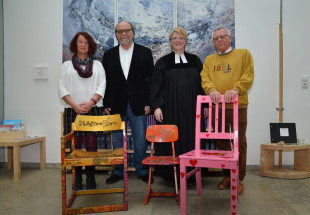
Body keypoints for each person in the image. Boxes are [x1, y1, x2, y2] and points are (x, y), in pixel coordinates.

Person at [201, 27, 254, 194]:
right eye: (216, 38)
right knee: (221, 141)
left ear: (230, 38)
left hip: (238, 106)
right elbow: (205, 77)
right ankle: (226, 175)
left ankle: (238, 178)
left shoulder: (243, 54)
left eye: (222, 37)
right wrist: (211, 90)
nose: (219, 40)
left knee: (239, 142)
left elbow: (248, 75)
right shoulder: (209, 59)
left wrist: (237, 89)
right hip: (218, 107)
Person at [150, 27, 205, 181]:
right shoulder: (163, 62)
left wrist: (205, 106)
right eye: (174, 38)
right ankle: (170, 175)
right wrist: (156, 107)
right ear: (170, 42)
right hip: (170, 110)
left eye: (181, 38)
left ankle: (194, 174)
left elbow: (203, 84)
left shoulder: (195, 60)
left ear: (186, 41)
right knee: (172, 140)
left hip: (193, 110)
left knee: (192, 138)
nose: (178, 41)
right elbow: (155, 86)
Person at [102, 21, 154, 184]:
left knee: (140, 138)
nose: (123, 33)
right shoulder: (109, 55)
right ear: (116, 35)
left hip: (139, 103)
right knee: (117, 139)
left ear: (133, 32)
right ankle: (118, 170)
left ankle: (142, 170)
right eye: (119, 31)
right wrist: (105, 103)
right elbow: (105, 81)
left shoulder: (145, 52)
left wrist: (148, 102)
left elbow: (150, 80)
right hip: (115, 103)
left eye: (126, 30)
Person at [58, 32, 106, 190]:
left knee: (92, 145)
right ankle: (77, 177)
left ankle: (91, 177)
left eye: (86, 42)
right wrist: (75, 105)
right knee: (75, 145)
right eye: (80, 42)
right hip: (73, 110)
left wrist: (92, 102)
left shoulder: (98, 65)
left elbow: (102, 85)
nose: (83, 45)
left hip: (93, 108)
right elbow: (62, 88)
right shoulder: (66, 65)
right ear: (75, 44)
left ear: (90, 45)